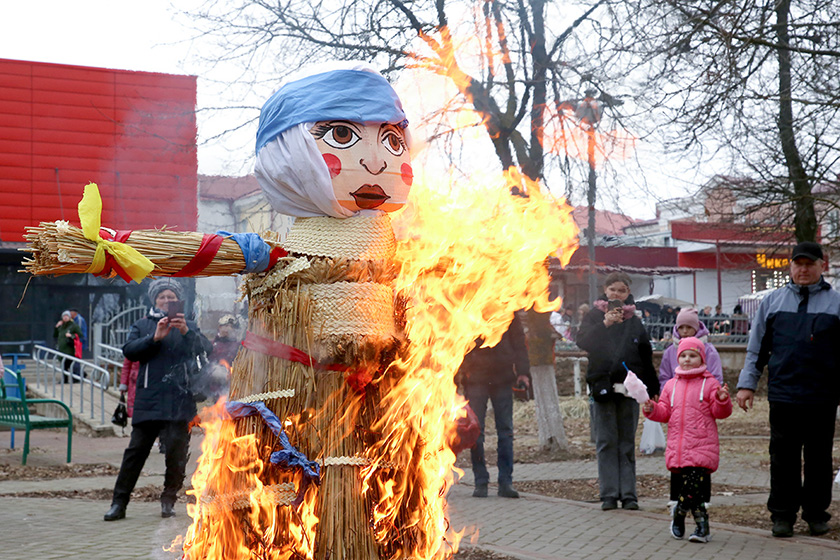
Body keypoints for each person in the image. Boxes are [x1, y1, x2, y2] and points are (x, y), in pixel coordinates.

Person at [736, 241, 840, 538]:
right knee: (783, 458)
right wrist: (746, 384)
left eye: (809, 264)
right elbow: (756, 348)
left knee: (819, 458)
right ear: (791, 267)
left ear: (823, 266)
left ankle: (816, 515)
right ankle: (782, 515)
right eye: (798, 264)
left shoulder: (837, 304)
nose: (803, 269)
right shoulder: (771, 303)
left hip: (822, 395)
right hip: (783, 393)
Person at [104, 278, 212, 521]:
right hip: (148, 400)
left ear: (178, 301)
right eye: (162, 297)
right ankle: (118, 504)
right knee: (135, 453)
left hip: (180, 400)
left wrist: (185, 331)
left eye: (171, 297)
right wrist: (154, 337)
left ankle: (168, 500)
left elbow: (205, 349)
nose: (167, 301)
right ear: (154, 300)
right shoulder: (142, 325)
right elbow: (129, 351)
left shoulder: (189, 325)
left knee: (176, 454)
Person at [576, 272, 658, 511]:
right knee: (606, 441)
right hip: (602, 387)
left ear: (628, 294)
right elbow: (583, 342)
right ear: (605, 290)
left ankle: (629, 495)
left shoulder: (634, 321)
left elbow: (645, 354)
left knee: (626, 443)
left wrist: (652, 387)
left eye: (622, 290)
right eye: (613, 289)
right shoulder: (594, 316)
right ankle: (609, 494)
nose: (617, 294)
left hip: (629, 390)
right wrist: (606, 323)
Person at [643, 337, 732, 543]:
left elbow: (720, 413)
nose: (687, 360)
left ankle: (682, 513)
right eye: (683, 355)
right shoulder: (671, 385)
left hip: (702, 443)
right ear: (677, 358)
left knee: (692, 482)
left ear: (701, 358)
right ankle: (700, 526)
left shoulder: (709, 383)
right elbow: (664, 412)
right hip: (679, 444)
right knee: (694, 489)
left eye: (692, 355)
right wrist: (652, 409)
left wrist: (722, 399)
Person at [459, 312, 531, 499]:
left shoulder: (508, 306)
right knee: (476, 432)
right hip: (475, 379)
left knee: (505, 431)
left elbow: (518, 341)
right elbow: (457, 342)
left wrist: (523, 372)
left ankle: (506, 481)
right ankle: (480, 481)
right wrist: (455, 378)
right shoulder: (469, 303)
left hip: (502, 377)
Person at [54, 310, 82, 374]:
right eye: (64, 316)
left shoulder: (74, 325)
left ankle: (79, 376)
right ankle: (65, 380)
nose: (65, 317)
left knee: (71, 365)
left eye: (67, 316)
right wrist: (56, 327)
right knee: (64, 366)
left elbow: (80, 335)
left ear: (69, 317)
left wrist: (71, 336)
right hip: (62, 349)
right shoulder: (61, 326)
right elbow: (55, 335)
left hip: (70, 350)